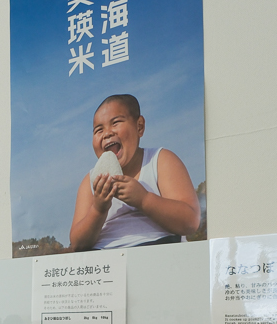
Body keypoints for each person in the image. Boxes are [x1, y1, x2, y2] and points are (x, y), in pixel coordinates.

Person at [69, 94, 201, 251]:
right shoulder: (90, 181)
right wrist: (98, 209)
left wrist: (144, 199)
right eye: (99, 130)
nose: (107, 133)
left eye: (116, 123)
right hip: (106, 260)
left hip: (161, 249)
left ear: (139, 126)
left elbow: (190, 221)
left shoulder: (160, 160)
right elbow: (77, 243)